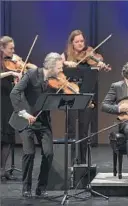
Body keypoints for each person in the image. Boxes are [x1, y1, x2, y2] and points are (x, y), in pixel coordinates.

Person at [9, 52, 63, 197]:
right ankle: (26, 188)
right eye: (59, 67)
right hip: (26, 119)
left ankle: (41, 187)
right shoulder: (31, 74)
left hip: (42, 121)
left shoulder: (53, 80)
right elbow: (14, 93)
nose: (61, 70)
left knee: (48, 153)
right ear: (51, 66)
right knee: (29, 153)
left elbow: (56, 98)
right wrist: (24, 113)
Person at [61, 30, 108, 164]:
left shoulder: (89, 54)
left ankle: (82, 161)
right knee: (70, 129)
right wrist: (65, 64)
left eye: (82, 41)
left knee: (84, 129)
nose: (81, 44)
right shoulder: (65, 55)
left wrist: (99, 64)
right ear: (72, 43)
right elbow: (55, 66)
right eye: (77, 41)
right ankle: (70, 161)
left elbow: (97, 61)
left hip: (85, 96)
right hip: (70, 96)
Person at [0, 36, 22, 180]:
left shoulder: (12, 61)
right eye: (11, 48)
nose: (13, 51)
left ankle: (3, 168)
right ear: (2, 48)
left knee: (8, 134)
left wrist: (17, 78)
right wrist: (11, 73)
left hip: (8, 100)